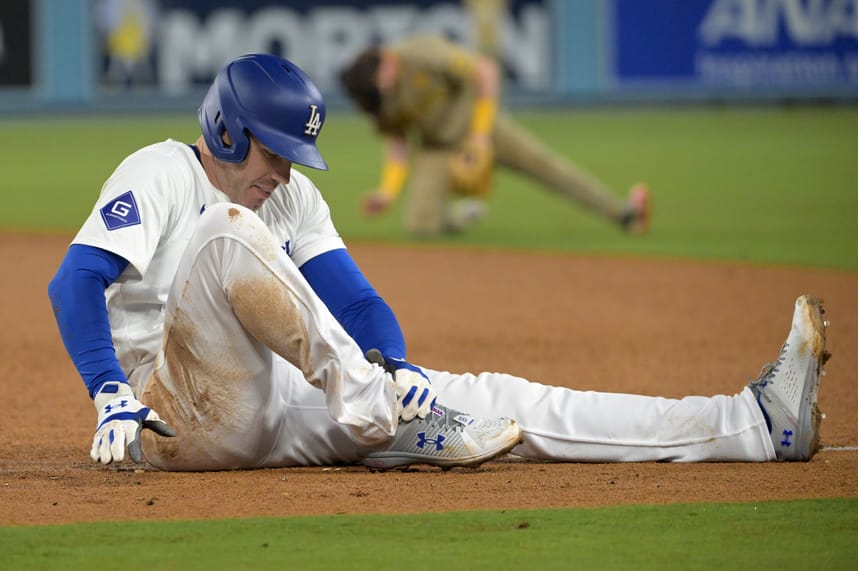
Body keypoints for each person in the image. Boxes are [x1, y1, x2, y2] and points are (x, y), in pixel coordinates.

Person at [48, 53, 829, 473]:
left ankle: (755, 425)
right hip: (167, 413)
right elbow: (73, 279)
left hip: (271, 404)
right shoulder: (163, 171)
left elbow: (356, 303)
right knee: (227, 226)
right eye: (274, 149)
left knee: (501, 403)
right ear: (223, 131)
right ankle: (374, 407)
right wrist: (108, 389)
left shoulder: (287, 200)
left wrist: (399, 364)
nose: (286, 170)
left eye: (296, 155)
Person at [338, 35, 651, 236]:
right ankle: (461, 216)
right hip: (439, 147)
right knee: (420, 225)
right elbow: (399, 143)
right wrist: (388, 192)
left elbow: (485, 72)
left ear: (387, 60)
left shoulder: (420, 53)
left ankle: (623, 212)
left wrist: (480, 135)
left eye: (383, 80)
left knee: (547, 167)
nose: (386, 89)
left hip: (480, 125)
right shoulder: (378, 96)